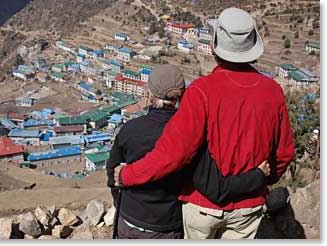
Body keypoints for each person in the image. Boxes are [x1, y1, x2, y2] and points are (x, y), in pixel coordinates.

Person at [114, 8, 295, 239]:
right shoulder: (273, 92)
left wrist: (128, 175)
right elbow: (284, 154)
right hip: (249, 207)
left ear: (214, 45)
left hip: (203, 206)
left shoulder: (201, 91)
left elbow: (172, 154)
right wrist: (258, 180)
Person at [107, 64, 271, 239]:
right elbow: (212, 186)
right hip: (166, 224)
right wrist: (257, 176)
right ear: (183, 94)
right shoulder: (191, 135)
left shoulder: (130, 130)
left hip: (129, 219)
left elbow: (113, 173)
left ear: (149, 95)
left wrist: (123, 203)